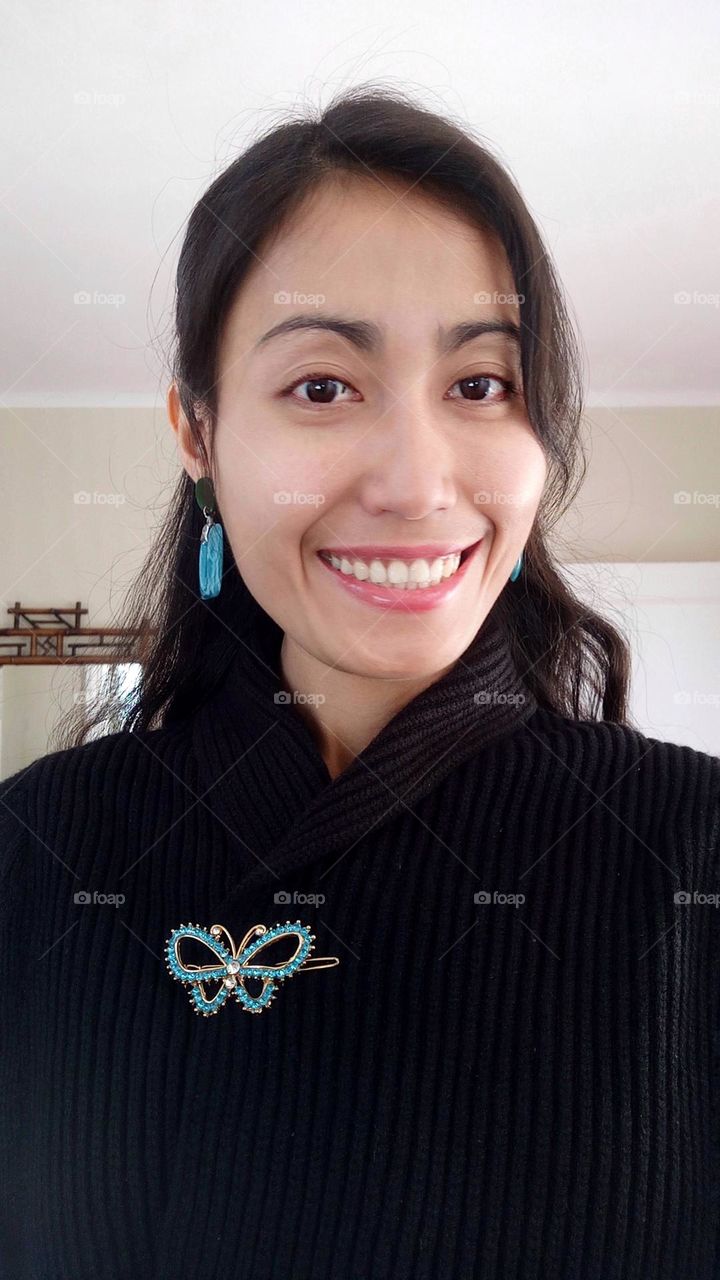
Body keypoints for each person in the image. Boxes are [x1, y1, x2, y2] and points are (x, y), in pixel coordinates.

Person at [1, 86, 718, 1280]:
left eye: (482, 384)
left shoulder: (689, 853)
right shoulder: (40, 843)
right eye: (325, 386)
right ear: (198, 430)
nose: (416, 481)